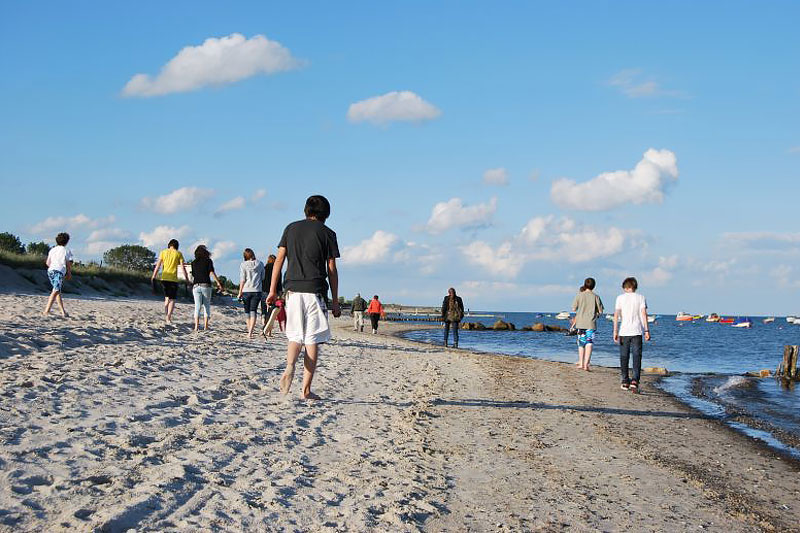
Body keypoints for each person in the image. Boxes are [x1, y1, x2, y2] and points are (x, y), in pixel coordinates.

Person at [267, 195, 341, 400]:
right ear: (326, 214)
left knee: (295, 337)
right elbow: (332, 269)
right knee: (311, 340)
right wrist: (335, 301)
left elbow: (279, 260)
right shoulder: (328, 233)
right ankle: (306, 390)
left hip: (292, 291)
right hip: (315, 292)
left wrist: (273, 290)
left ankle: (290, 365)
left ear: (306, 211)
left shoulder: (290, 228)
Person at [613, 277, 650, 393]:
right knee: (637, 356)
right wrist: (647, 331)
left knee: (624, 357)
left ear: (625, 287)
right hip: (637, 331)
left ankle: (625, 381)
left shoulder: (620, 298)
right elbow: (644, 314)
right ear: (635, 287)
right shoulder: (641, 297)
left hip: (624, 331)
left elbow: (616, 316)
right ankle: (635, 381)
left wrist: (615, 331)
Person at [151, 239, 190, 325]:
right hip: (173, 279)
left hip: (164, 278)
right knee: (172, 299)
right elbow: (183, 268)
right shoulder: (178, 253)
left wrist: (153, 276)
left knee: (167, 298)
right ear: (177, 245)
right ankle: (168, 317)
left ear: (169, 245)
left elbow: (158, 265)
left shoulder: (163, 252)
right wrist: (187, 279)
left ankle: (166, 317)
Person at [570, 277, 604, 371]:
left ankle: (581, 363)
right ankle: (586, 364)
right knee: (589, 343)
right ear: (594, 286)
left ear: (585, 285)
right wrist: (596, 312)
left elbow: (573, 308)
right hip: (591, 323)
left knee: (581, 343)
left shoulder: (579, 295)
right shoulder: (596, 296)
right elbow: (601, 311)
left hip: (580, 323)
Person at [190, 245, 224, 332]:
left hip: (196, 285)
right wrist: (218, 283)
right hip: (206, 285)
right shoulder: (208, 261)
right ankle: (205, 326)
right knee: (206, 306)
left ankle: (196, 327)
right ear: (205, 253)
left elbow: (193, 274)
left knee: (197, 306)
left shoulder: (193, 262)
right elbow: (212, 272)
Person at [42, 232, 73, 317]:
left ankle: (63, 312)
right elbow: (68, 263)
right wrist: (69, 273)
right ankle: (46, 311)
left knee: (57, 291)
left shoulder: (52, 250)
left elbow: (48, 263)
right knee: (55, 290)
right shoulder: (66, 250)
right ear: (67, 241)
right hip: (59, 271)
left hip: (50, 271)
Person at [237, 248, 265, 339]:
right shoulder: (260, 264)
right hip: (257, 290)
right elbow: (263, 277)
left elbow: (242, 279)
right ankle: (250, 332)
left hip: (246, 290)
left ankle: (249, 331)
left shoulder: (243, 265)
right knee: (254, 311)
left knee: (247, 312)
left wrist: (239, 292)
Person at [261, 254, 282, 327]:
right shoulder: (277, 269)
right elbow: (279, 282)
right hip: (274, 291)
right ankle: (269, 330)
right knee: (271, 309)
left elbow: (261, 279)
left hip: (264, 289)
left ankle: (263, 320)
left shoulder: (264, 268)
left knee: (264, 308)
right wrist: (280, 292)